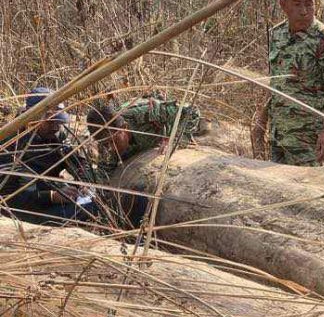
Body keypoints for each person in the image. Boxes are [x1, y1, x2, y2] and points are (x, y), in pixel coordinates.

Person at [251, 0, 324, 166]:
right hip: (279, 136)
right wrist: (261, 122)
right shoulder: (277, 34)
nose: (304, 11)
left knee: (309, 184)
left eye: (309, 4)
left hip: (308, 140)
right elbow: (277, 83)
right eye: (296, 4)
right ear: (283, 5)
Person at [0, 86, 101, 225]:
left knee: (98, 203)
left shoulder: (58, 136)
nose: (55, 127)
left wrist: (84, 183)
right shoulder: (10, 144)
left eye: (58, 122)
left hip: (55, 196)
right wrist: (51, 197)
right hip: (25, 212)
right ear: (30, 118)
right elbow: (8, 198)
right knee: (89, 211)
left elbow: (78, 163)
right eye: (50, 122)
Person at [86, 96, 201, 172]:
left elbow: (192, 111)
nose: (111, 148)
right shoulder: (105, 143)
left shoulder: (145, 114)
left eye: (113, 141)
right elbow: (104, 173)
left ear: (124, 127)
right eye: (106, 144)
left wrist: (173, 141)